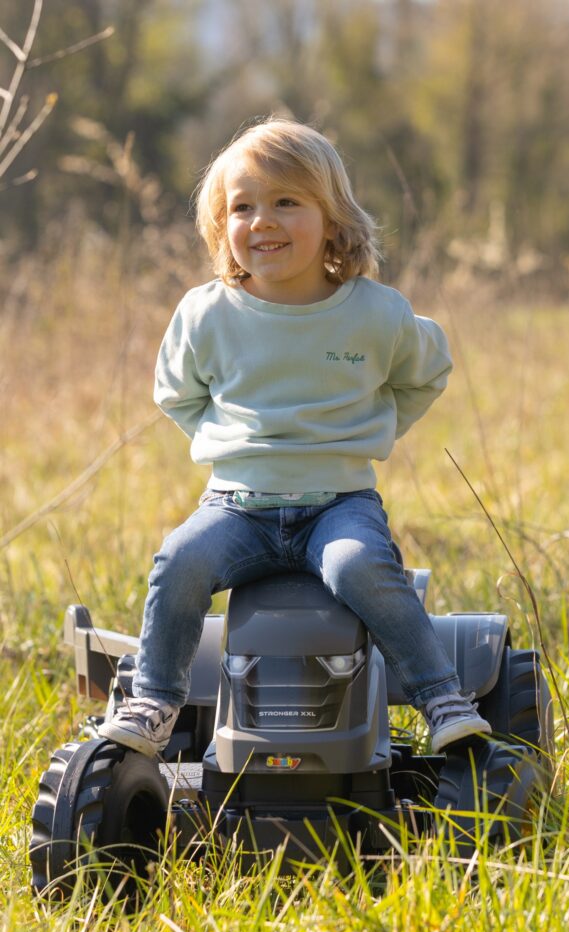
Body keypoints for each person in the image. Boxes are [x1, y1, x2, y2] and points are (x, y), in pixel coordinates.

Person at [99, 116, 491, 758]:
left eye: (286, 202)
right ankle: (155, 700)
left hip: (339, 505)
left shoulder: (373, 312)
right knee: (179, 560)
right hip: (235, 506)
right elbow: (175, 392)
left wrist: (372, 428)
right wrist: (229, 441)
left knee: (363, 566)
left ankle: (441, 696)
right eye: (242, 207)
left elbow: (429, 370)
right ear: (221, 224)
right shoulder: (207, 313)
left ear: (333, 219)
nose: (263, 221)